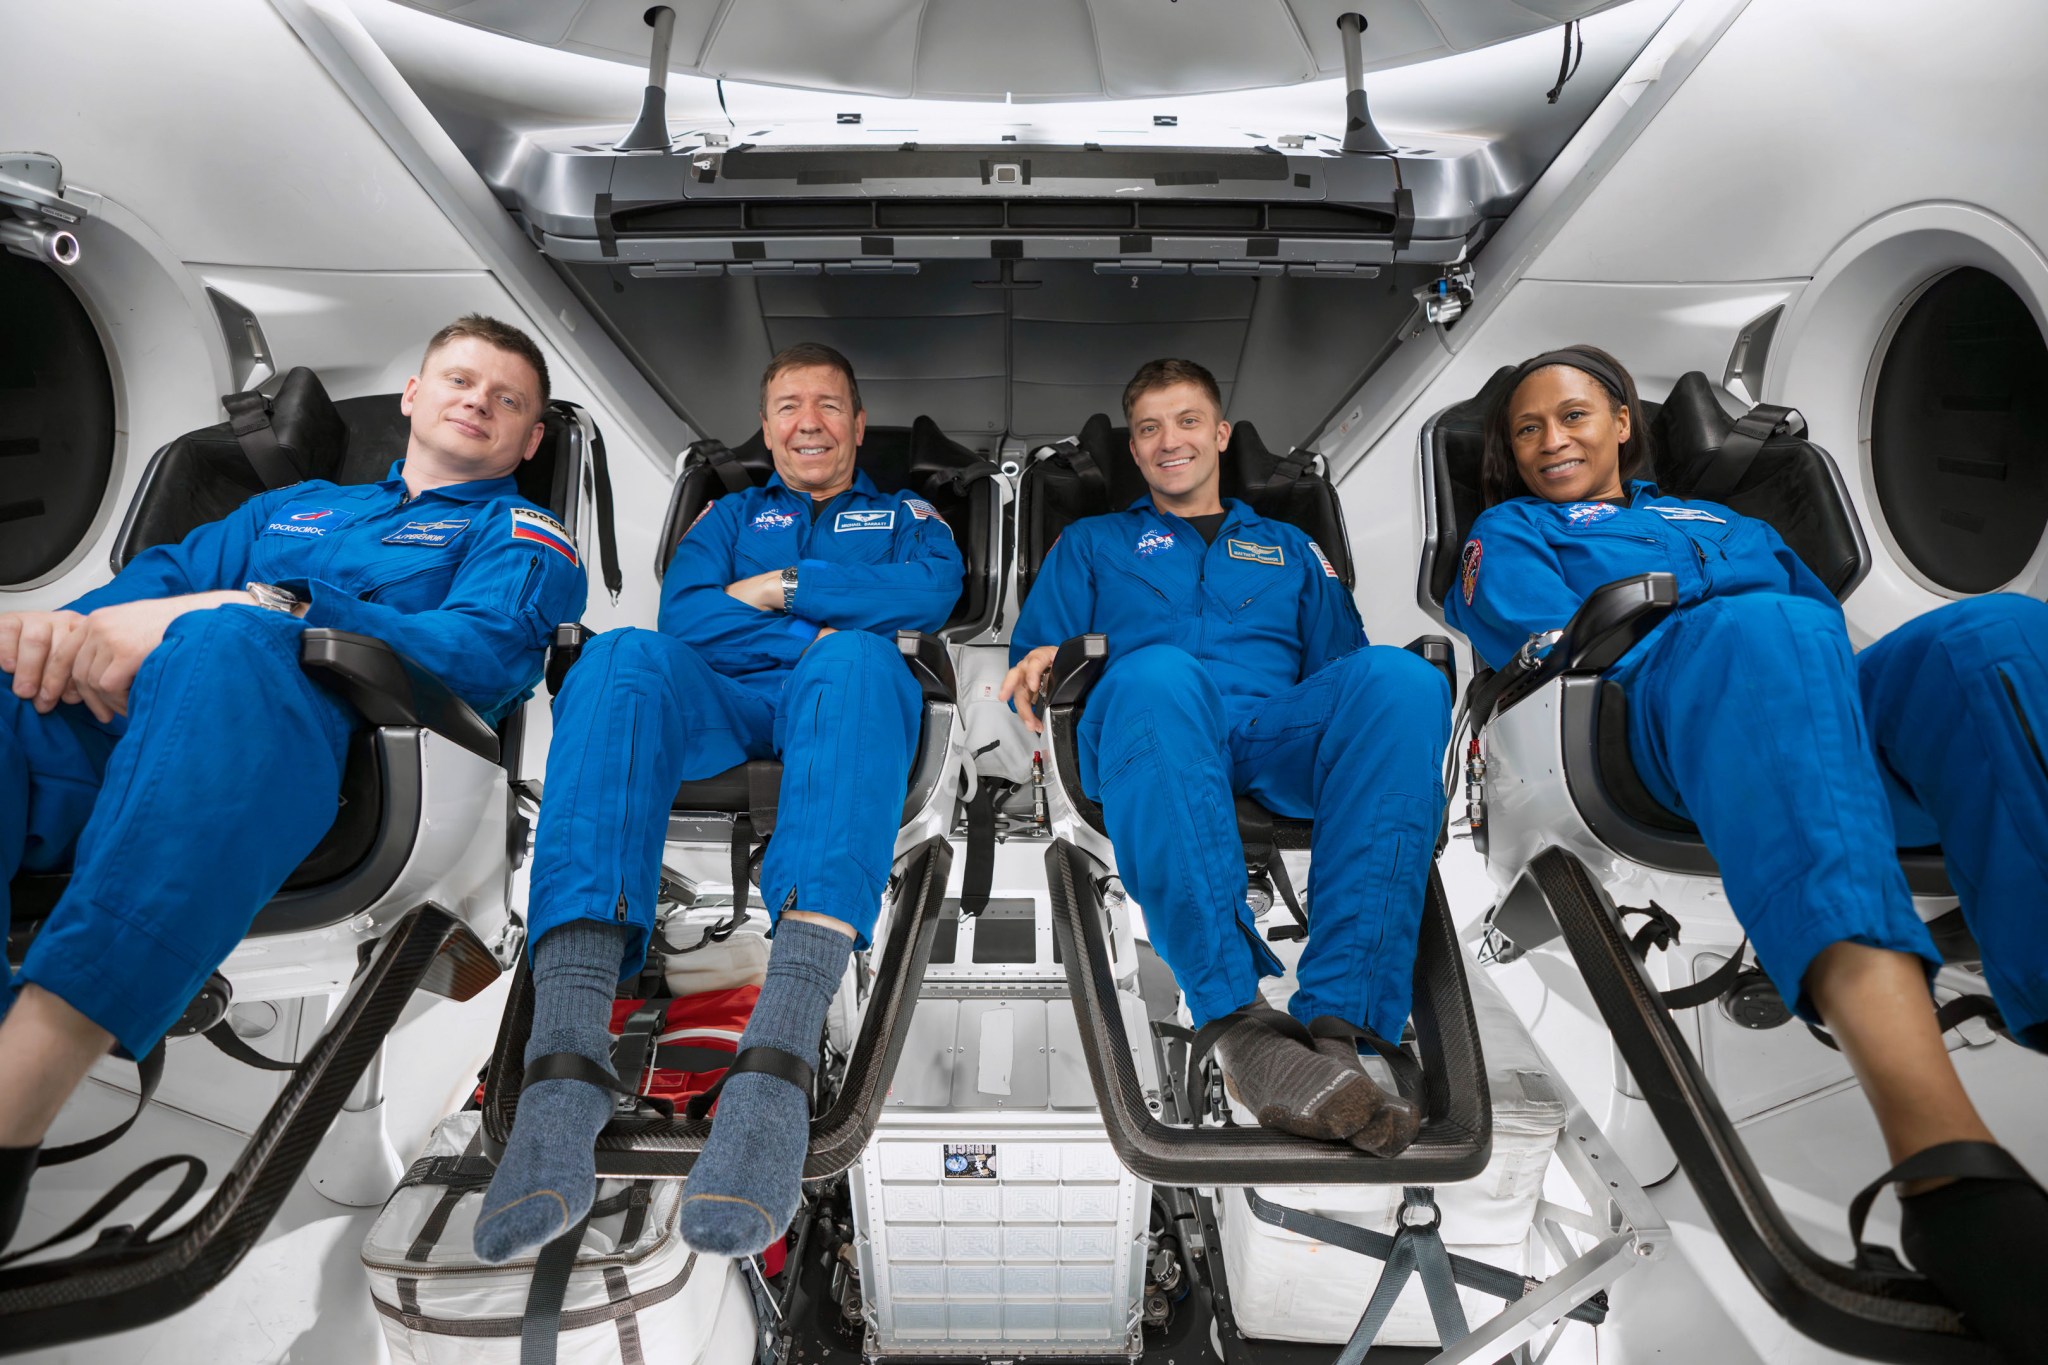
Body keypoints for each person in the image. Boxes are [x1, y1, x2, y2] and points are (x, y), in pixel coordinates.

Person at [1445, 343, 2048, 1356]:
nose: (1551, 440)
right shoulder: (1512, 528)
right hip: (1637, 714)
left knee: (1988, 637)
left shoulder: (1727, 523)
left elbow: (1826, 634)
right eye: (1527, 429)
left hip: (1798, 689)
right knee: (1763, 633)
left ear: (1622, 425)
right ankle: (1943, 1169)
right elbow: (1532, 636)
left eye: (1573, 416)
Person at [0, 315, 587, 1250]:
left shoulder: (523, 532)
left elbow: (479, 653)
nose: (477, 399)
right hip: (129, 730)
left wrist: (270, 607)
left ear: (529, 440)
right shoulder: (296, 507)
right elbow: (153, 587)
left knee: (228, 638)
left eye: (506, 398)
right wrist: (58, 637)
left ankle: (28, 1079)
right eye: (458, 380)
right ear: (412, 399)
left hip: (337, 759)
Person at [474, 342, 964, 1263]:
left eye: (827, 405)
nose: (807, 421)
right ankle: (565, 1064)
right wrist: (837, 607)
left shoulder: (907, 515)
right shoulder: (727, 514)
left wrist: (785, 588)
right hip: (721, 695)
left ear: (859, 426)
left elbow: (930, 589)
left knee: (860, 658)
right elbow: (689, 616)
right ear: (768, 424)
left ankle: (774, 1064)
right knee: (619, 656)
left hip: (843, 690)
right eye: (786, 406)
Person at [1000, 358, 1447, 1155]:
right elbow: (1036, 663)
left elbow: (1345, 676)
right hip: (1147, 730)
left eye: (1187, 421)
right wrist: (1035, 664)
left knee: (1402, 680)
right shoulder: (1091, 543)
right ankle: (1235, 1019)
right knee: (1161, 672)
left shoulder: (1291, 547)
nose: (1170, 440)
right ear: (1134, 451)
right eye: (1149, 429)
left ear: (1220, 435)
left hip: (1272, 733)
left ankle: (1345, 1017)